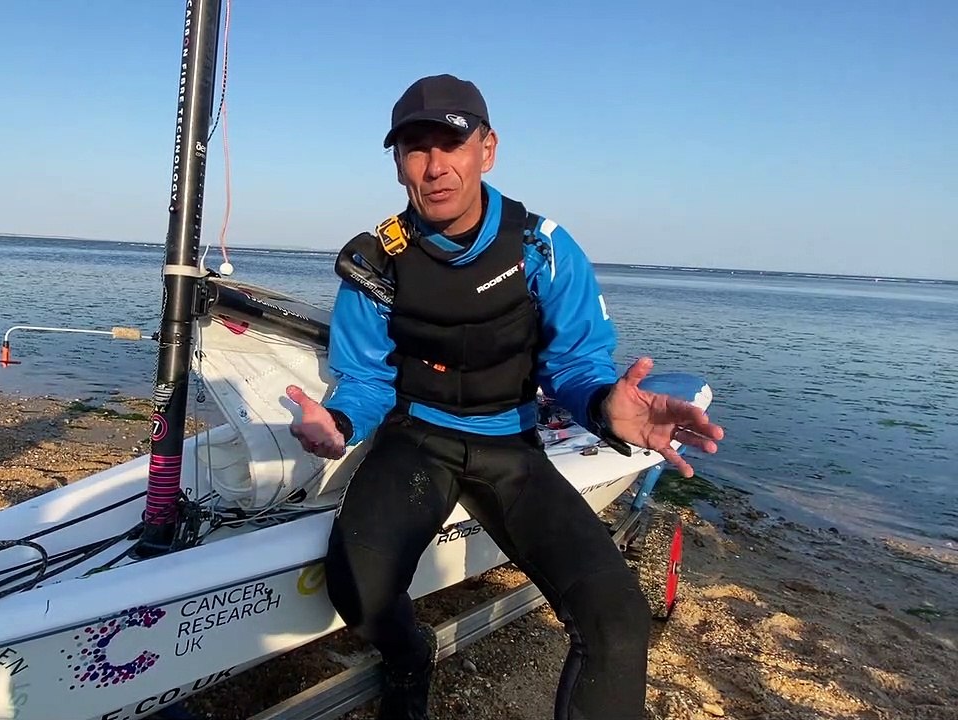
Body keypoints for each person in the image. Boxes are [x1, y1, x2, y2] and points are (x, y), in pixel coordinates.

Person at [285, 74, 725, 720]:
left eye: (451, 144)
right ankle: (410, 659)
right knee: (358, 590)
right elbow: (367, 379)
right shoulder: (374, 261)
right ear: (398, 163)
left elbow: (575, 364)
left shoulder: (542, 247)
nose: (435, 166)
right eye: (415, 148)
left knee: (618, 620)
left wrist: (606, 405)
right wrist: (342, 422)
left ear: (486, 150)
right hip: (419, 440)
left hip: (509, 445)